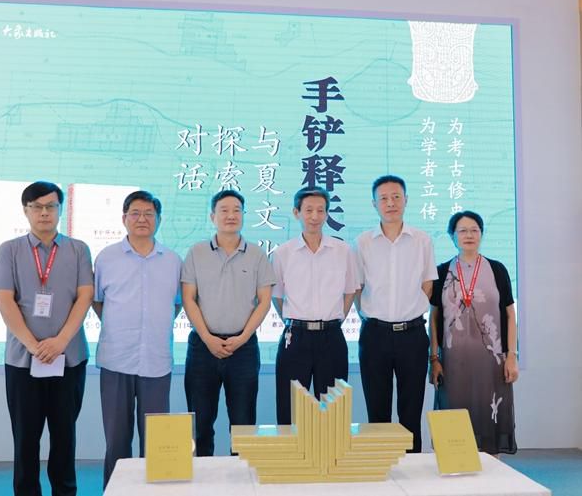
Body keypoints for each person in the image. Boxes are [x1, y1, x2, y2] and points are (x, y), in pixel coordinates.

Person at [0, 181, 93, 496]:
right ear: (26, 211)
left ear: (60, 209)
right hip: (23, 360)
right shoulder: (9, 250)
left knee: (65, 436)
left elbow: (85, 296)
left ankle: (65, 491)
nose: (44, 213)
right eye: (37, 207)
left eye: (51, 206)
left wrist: (60, 341)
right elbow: (4, 300)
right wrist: (33, 345)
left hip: (69, 358)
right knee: (25, 437)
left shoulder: (78, 249)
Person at [93, 190, 182, 487]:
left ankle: (154, 492)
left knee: (157, 440)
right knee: (117, 439)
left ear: (159, 219)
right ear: (124, 218)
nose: (142, 219)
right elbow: (97, 301)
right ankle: (117, 490)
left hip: (156, 360)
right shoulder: (106, 258)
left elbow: (177, 304)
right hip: (116, 359)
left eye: (149, 214)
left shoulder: (173, 260)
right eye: (135, 213)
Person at [182, 189, 275, 456]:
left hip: (243, 348)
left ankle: (242, 476)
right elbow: (188, 299)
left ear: (244, 215)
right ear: (213, 217)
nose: (231, 215)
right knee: (200, 423)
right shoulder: (196, 252)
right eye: (224, 210)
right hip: (203, 347)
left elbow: (264, 301)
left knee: (243, 424)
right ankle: (201, 475)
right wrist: (208, 338)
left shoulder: (257, 254)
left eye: (236, 210)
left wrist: (243, 338)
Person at [354, 174, 437, 453]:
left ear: (406, 200)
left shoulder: (422, 240)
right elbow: (357, 287)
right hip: (375, 334)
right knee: (377, 410)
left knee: (411, 410)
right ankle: (381, 468)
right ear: (374, 204)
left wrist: (409, 309)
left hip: (412, 335)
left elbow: (427, 284)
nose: (390, 203)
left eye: (396, 197)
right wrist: (370, 316)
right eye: (384, 198)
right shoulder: (363, 242)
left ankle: (411, 466)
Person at [429, 210, 518, 455]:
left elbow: (510, 315)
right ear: (452, 236)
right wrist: (434, 359)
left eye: (474, 230)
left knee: (489, 417)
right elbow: (433, 318)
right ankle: (455, 467)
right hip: (452, 362)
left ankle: (492, 471)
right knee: (454, 417)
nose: (469, 235)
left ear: (481, 234)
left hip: (492, 362)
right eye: (462, 231)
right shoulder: (441, 272)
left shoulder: (497, 269)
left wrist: (512, 355)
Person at [272, 186, 359, 424]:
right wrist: (293, 321)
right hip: (295, 337)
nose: (315, 216)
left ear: (327, 214)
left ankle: (332, 450)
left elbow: (350, 291)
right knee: (290, 410)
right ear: (296, 213)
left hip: (331, 336)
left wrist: (335, 320)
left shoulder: (342, 251)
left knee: (333, 412)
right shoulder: (283, 253)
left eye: (321, 210)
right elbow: (277, 296)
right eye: (308, 210)